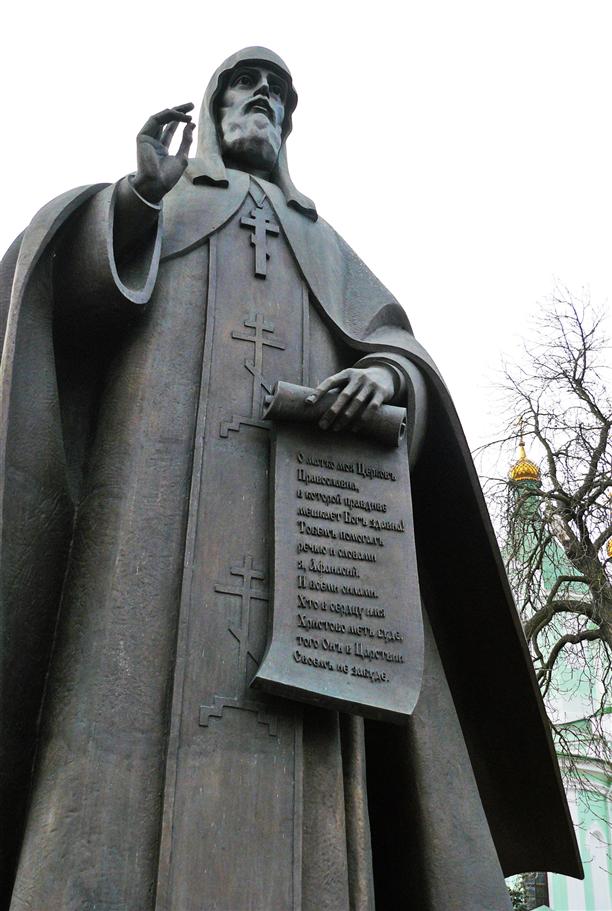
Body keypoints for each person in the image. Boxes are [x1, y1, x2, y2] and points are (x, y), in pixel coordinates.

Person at [0, 47, 580, 911]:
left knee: (308, 776)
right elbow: (67, 306)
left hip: (306, 568)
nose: (264, 99)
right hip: (146, 542)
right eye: (247, 86)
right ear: (212, 109)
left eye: (277, 93)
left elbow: (398, 348)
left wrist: (384, 377)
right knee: (110, 751)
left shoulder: (323, 245)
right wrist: (135, 201)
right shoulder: (156, 210)